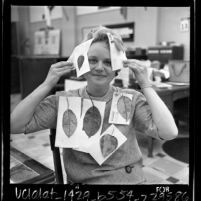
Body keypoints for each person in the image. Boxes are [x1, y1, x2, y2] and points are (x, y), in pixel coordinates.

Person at [10, 27, 178, 184]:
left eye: (108, 62)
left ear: (118, 69)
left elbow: (169, 132)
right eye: (92, 60)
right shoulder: (62, 102)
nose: (99, 67)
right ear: (80, 64)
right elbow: (15, 125)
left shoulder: (131, 99)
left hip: (129, 180)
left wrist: (146, 84)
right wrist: (46, 84)